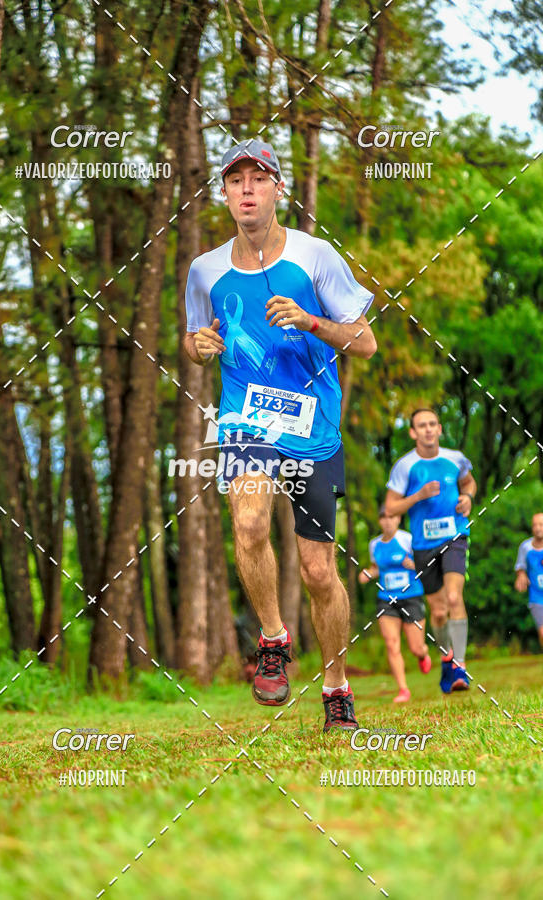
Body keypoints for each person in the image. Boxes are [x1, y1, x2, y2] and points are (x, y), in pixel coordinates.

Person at [183, 139, 377, 733]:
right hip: (247, 419)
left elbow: (365, 341)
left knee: (319, 572)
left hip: (312, 427)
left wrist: (311, 320)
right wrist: (199, 347)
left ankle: (337, 687)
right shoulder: (205, 270)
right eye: (235, 180)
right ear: (224, 194)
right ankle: (272, 641)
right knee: (246, 524)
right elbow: (193, 342)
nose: (246, 189)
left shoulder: (316, 257)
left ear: (277, 191)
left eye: (258, 179)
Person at [384, 408, 477, 694]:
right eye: (421, 425)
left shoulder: (455, 458)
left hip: (455, 535)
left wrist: (468, 498)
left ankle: (460, 666)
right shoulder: (404, 467)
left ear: (439, 429)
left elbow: (469, 482)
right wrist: (419, 496)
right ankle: (446, 660)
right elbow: (390, 507)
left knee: (453, 596)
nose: (427, 429)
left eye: (432, 424)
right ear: (413, 432)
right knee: (437, 612)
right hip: (423, 544)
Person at [359, 505, 431, 702]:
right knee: (391, 644)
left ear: (398, 519)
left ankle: (423, 655)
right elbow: (376, 568)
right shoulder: (374, 544)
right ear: (380, 521)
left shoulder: (407, 539)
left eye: (392, 517)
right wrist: (367, 574)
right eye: (384, 518)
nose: (388, 521)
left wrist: (415, 565)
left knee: (416, 647)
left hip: (411, 597)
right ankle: (403, 689)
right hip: (387, 599)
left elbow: (425, 565)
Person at [514, 512, 543, 648]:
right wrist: (521, 575)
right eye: (534, 525)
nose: (537, 528)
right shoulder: (525, 547)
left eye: (541, 525)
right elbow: (520, 567)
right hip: (537, 597)